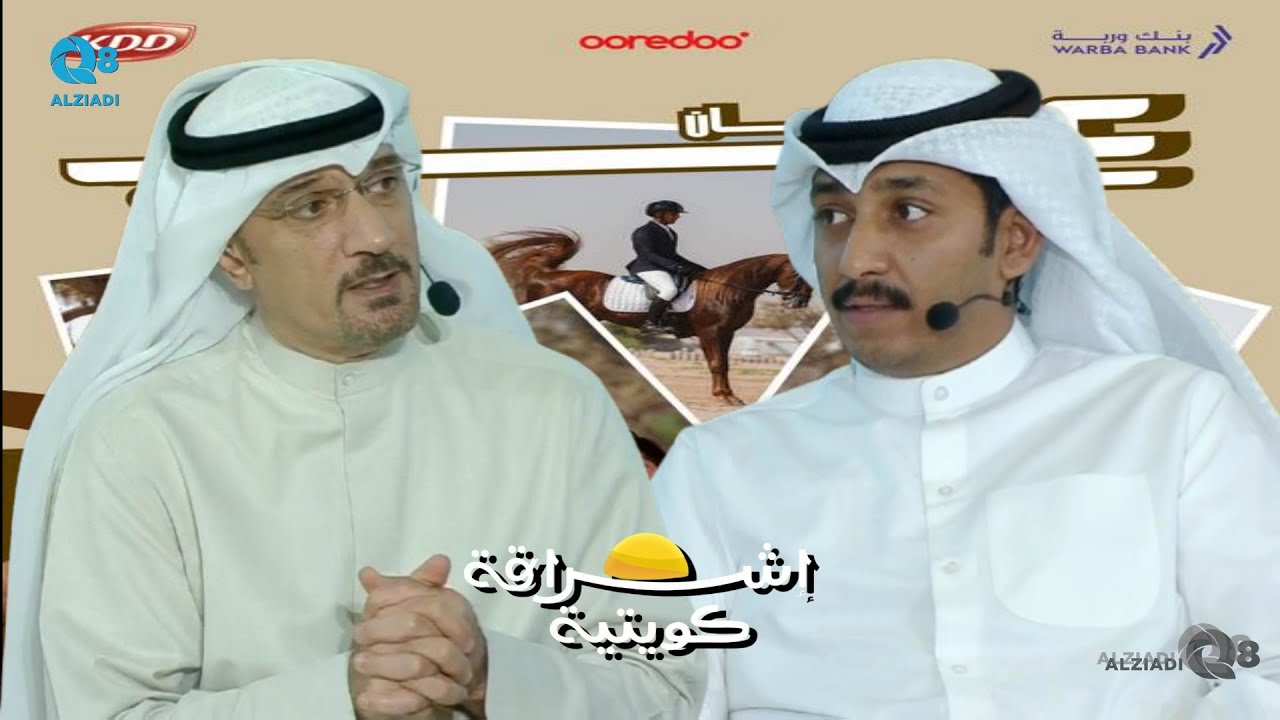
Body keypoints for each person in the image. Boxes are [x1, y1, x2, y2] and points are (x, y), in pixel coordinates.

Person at [0, 60, 705, 720]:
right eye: (312, 206)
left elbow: (665, 688)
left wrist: (491, 672)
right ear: (232, 256)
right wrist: (340, 696)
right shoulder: (143, 436)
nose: (374, 234)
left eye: (383, 184)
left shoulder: (555, 403)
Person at [651, 58, 1280, 719]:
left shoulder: (1171, 417)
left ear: (1015, 243)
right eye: (833, 215)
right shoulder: (717, 467)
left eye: (909, 211)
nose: (857, 257)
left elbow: (1266, 668)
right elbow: (663, 698)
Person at [624, 201, 708, 333]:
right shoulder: (644, 231)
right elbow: (648, 255)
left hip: (663, 267)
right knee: (669, 290)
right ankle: (650, 323)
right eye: (674, 214)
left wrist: (699, 269)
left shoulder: (671, 233)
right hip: (647, 267)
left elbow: (673, 256)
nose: (678, 216)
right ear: (659, 214)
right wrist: (677, 267)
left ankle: (673, 319)